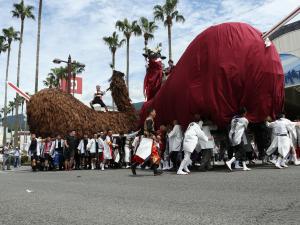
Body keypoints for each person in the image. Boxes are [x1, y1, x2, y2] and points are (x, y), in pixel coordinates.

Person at [131, 108, 162, 176]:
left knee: (151, 154)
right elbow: (149, 129)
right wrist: (156, 134)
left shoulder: (149, 119)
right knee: (147, 155)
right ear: (151, 113)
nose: (155, 113)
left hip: (148, 139)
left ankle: (155, 171)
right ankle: (154, 171)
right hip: (148, 140)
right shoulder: (149, 120)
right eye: (154, 112)